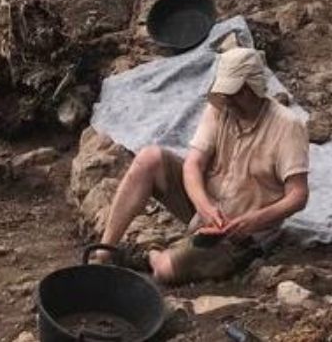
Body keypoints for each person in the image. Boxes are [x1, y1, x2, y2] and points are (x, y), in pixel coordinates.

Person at [94, 47, 310, 285]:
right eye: (225, 93)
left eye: (236, 93)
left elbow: (298, 195)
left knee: (165, 271)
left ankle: (151, 254)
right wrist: (204, 205)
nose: (229, 100)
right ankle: (104, 252)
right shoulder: (220, 109)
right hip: (207, 208)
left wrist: (256, 219)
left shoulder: (288, 127)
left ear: (253, 89)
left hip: (245, 232)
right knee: (149, 158)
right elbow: (193, 164)